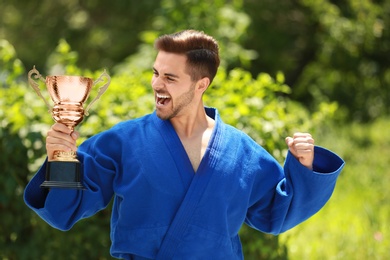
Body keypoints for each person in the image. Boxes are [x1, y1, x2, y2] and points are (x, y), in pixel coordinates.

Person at [24, 30, 345, 259]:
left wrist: (304, 164)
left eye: (170, 78)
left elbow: (278, 213)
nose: (156, 84)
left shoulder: (241, 151)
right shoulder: (122, 142)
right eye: (155, 73)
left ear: (201, 84)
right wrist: (61, 157)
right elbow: (63, 212)